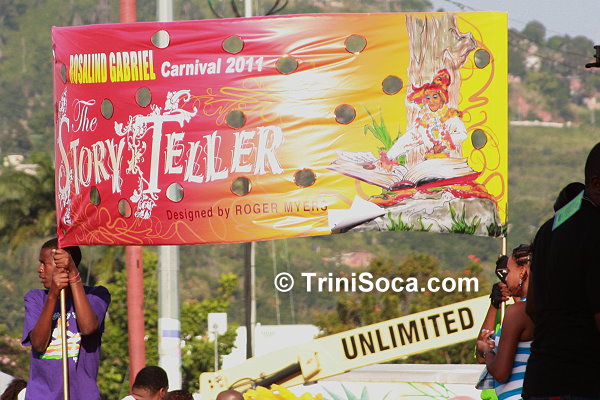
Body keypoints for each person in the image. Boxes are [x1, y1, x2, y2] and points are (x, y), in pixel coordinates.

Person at [523, 143, 600, 399]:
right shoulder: (595, 230)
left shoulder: (549, 228)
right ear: (596, 183)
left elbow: (532, 306)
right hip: (584, 381)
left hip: (542, 378)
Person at [21, 238, 111, 400]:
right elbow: (38, 344)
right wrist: (53, 295)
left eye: (44, 263)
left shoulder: (96, 295)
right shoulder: (35, 298)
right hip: (42, 396)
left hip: (82, 396)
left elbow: (88, 328)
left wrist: (74, 275)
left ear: (62, 266)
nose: (39, 270)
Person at [477, 245, 534, 400]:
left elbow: (501, 373)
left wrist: (487, 351)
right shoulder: (548, 307)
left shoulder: (516, 312)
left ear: (522, 271)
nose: (505, 279)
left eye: (508, 272)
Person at [384, 68, 468, 168]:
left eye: (435, 97)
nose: (431, 101)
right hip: (429, 164)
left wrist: (444, 144)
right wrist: (389, 157)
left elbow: (462, 134)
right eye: (428, 97)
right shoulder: (425, 121)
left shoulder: (450, 116)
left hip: (449, 163)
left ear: (442, 98)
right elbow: (409, 139)